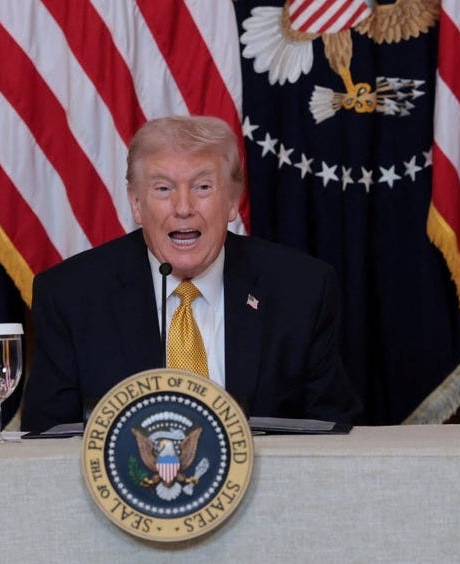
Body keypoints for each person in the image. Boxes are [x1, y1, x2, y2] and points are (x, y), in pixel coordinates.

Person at [21, 115, 361, 432]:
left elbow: (331, 432)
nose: (183, 208)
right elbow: (47, 440)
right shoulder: (71, 296)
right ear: (136, 203)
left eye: (202, 187)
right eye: (163, 189)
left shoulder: (301, 290)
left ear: (232, 201)